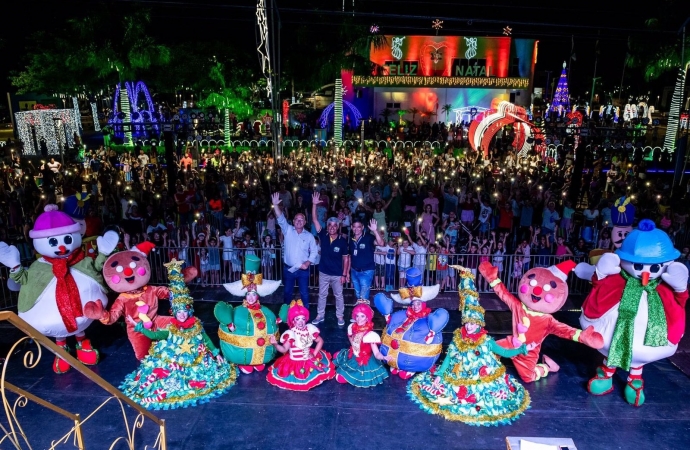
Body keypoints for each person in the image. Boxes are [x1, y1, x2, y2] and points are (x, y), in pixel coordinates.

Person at [267, 300, 336, 391]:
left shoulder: (309, 329)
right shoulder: (291, 334)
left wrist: (314, 354)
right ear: (293, 321)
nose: (301, 322)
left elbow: (320, 341)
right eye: (297, 319)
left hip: (308, 359)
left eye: (303, 319)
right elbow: (284, 350)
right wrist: (275, 344)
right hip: (295, 362)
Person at [271, 192, 318, 308]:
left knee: (304, 293)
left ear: (305, 222)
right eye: (296, 219)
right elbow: (281, 219)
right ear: (293, 221)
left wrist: (308, 262)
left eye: (301, 220)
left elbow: (314, 251)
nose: (299, 221)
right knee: (287, 293)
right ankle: (285, 314)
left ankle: (305, 314)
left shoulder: (309, 236)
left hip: (303, 270)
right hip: (289, 269)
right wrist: (276, 206)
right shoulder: (288, 230)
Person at [311, 193, 350, 327]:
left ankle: (340, 316)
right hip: (324, 272)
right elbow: (315, 220)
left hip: (337, 274)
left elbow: (346, 259)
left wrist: (344, 274)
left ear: (338, 227)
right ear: (327, 226)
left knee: (339, 296)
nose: (332, 227)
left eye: (335, 225)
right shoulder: (323, 234)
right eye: (330, 225)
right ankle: (320, 315)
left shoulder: (343, 242)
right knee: (322, 295)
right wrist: (314, 204)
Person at [333, 304, 392, 387]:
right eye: (357, 316)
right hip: (354, 354)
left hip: (364, 360)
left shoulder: (370, 335)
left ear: (367, 318)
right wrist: (353, 350)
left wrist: (383, 357)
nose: (359, 319)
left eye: (362, 316)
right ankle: (343, 355)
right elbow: (352, 341)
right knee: (338, 357)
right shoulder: (352, 327)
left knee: (340, 378)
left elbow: (376, 353)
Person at [349, 217, 385, 305]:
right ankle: (360, 315)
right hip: (354, 270)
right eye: (354, 226)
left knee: (363, 296)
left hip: (366, 271)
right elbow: (350, 256)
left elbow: (381, 244)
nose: (356, 229)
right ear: (351, 227)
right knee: (357, 294)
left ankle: (363, 316)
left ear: (362, 227)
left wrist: (375, 230)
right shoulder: (351, 239)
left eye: (359, 227)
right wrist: (347, 272)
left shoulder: (369, 237)